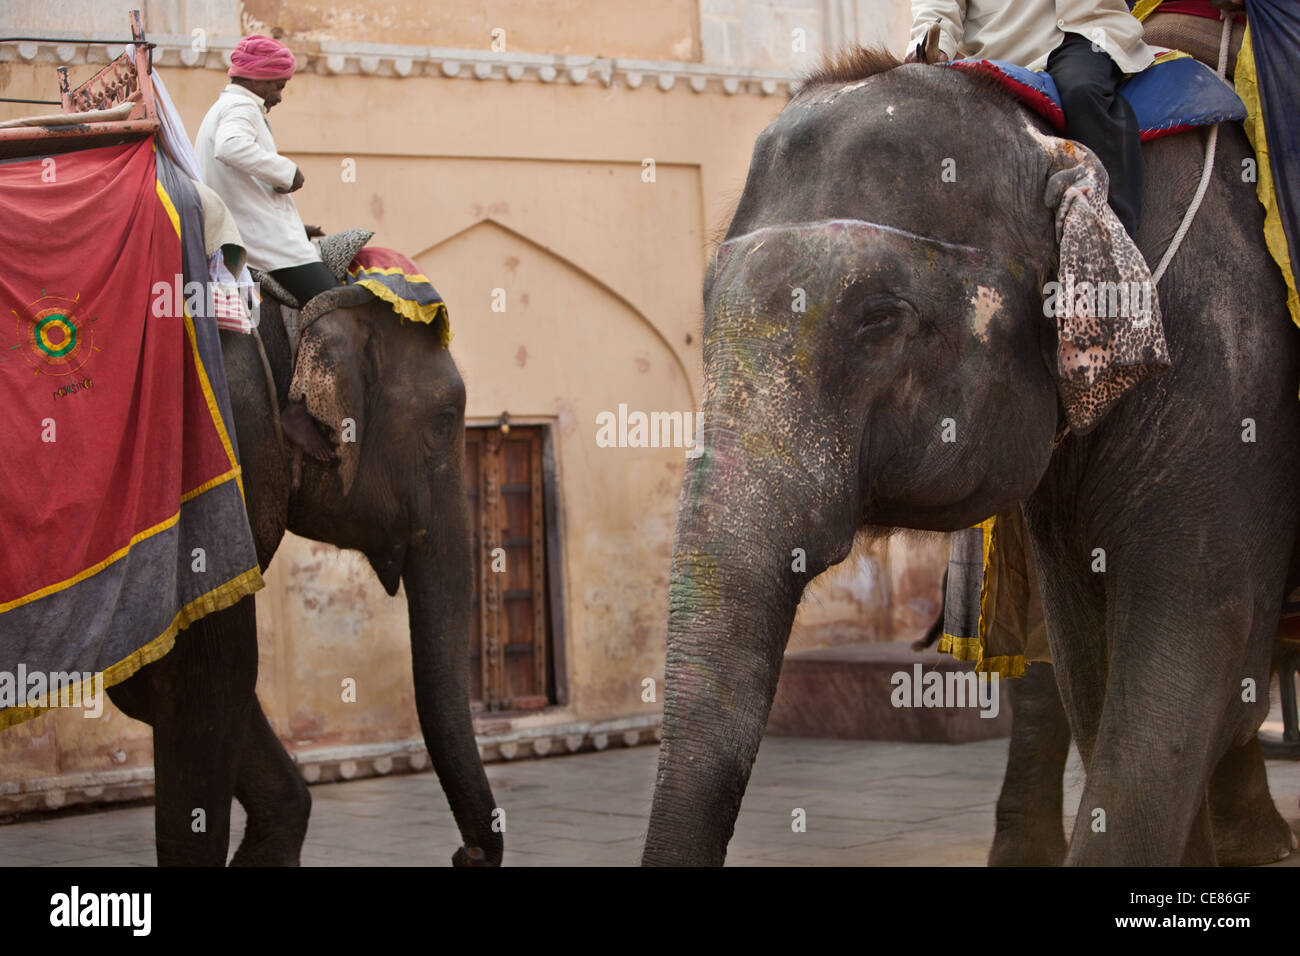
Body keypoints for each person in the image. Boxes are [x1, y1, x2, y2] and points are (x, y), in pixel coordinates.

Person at [908, 1, 1154, 239]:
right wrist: (932, 44)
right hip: (1004, 45)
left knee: (1083, 91)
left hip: (1086, 33)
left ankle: (1113, 235)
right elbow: (937, 7)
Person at [194, 34, 337, 304]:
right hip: (264, 244)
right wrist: (287, 171)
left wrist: (295, 225)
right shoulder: (241, 106)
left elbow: (244, 189)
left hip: (251, 232)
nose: (279, 97)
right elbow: (230, 146)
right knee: (334, 304)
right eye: (278, 86)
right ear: (257, 78)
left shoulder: (223, 107)